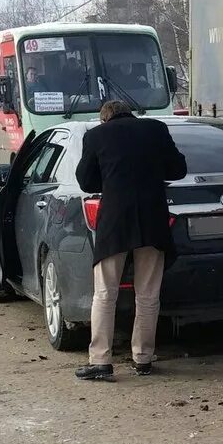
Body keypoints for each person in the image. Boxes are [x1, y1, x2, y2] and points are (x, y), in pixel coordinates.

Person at [74, 100, 187, 380]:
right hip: (153, 218)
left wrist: (112, 178)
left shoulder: (96, 136)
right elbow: (178, 170)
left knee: (105, 293)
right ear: (131, 113)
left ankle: (100, 361)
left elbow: (85, 181)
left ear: (105, 118)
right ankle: (143, 359)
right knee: (148, 294)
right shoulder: (156, 129)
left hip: (115, 221)